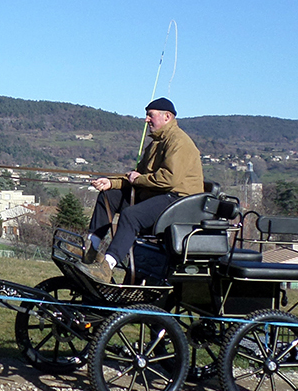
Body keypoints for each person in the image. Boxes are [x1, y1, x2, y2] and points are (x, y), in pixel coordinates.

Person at [78, 97, 204, 283]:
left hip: (179, 202)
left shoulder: (179, 143)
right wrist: (111, 183)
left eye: (150, 115)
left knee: (131, 215)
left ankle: (107, 267)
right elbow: (137, 177)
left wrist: (139, 179)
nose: (146, 120)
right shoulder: (156, 143)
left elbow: (169, 179)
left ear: (167, 117)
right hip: (159, 194)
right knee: (108, 197)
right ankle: (91, 250)